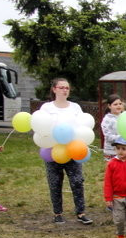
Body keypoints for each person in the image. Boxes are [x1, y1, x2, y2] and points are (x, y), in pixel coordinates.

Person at [40, 77, 93, 225]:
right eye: (61, 87)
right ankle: (58, 213)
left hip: (73, 149)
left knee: (77, 181)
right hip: (52, 150)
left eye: (67, 88)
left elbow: (82, 126)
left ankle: (81, 212)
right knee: (55, 182)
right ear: (54, 89)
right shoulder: (47, 108)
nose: (64, 90)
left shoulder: (75, 107)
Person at [101, 94, 125, 159]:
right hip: (111, 152)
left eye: (120, 104)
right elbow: (108, 136)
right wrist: (122, 137)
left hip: (124, 150)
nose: (118, 106)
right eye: (115, 104)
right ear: (109, 106)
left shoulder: (124, 117)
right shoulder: (107, 119)